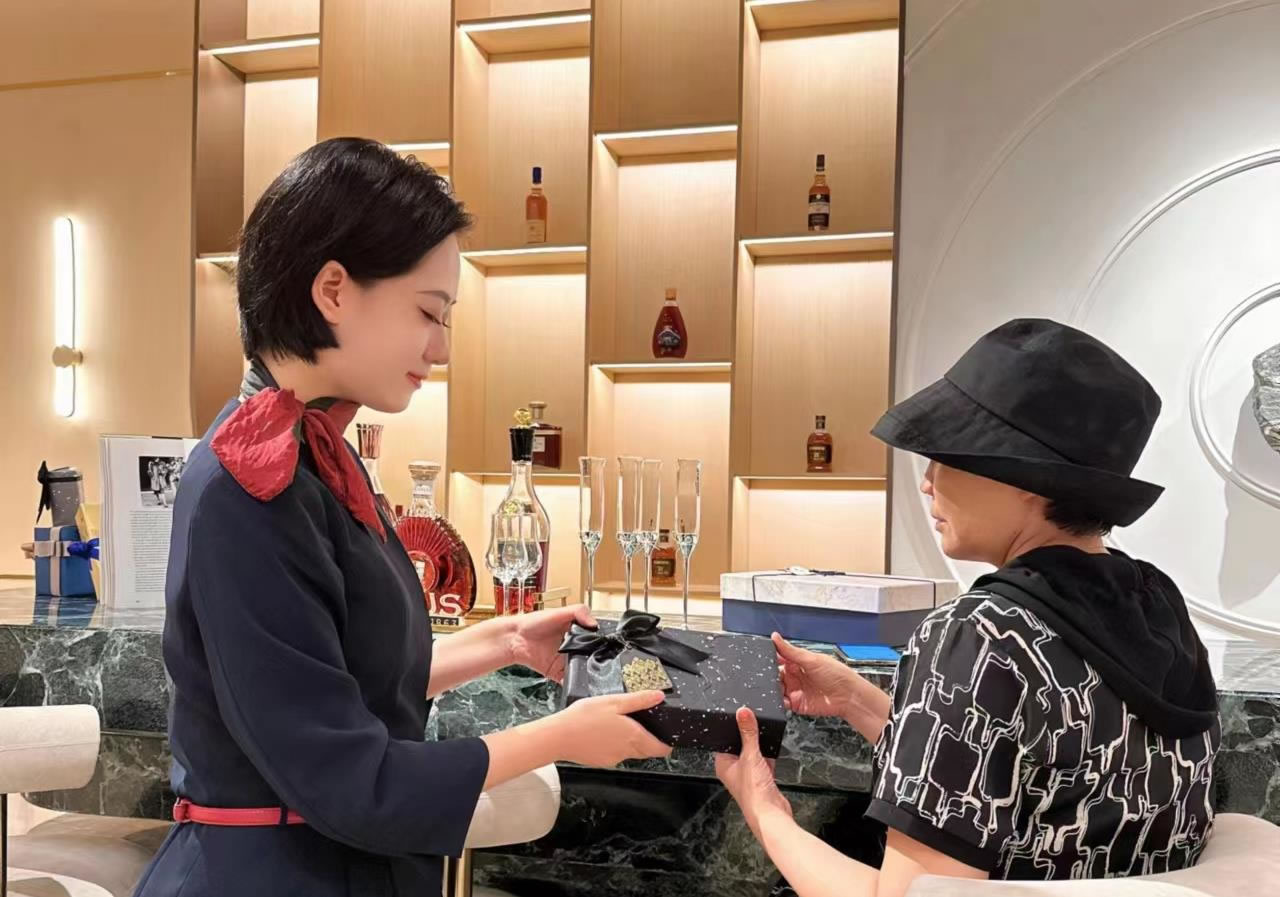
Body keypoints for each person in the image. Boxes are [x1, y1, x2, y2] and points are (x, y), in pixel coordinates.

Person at [132, 138, 671, 897]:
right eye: (428, 312)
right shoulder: (247, 484)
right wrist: (560, 736)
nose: (440, 347)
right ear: (333, 290)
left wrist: (507, 640)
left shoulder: (323, 456)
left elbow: (343, 675)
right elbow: (350, 778)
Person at [715, 319, 1219, 894]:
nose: (927, 481)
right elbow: (1055, 783)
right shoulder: (1154, 603)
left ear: (1028, 479)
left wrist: (763, 808)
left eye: (945, 456)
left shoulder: (979, 633)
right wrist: (857, 699)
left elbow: (911, 895)